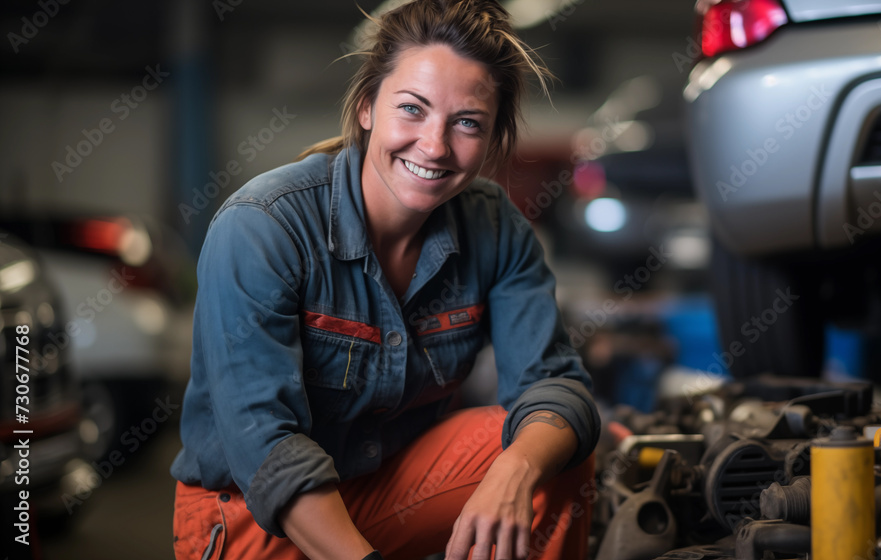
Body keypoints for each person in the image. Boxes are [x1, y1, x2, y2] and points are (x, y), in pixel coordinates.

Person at [170, 1, 600, 559]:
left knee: (554, 446)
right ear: (367, 105)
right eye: (412, 109)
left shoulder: (495, 227)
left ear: (493, 138)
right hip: (252, 517)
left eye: (466, 123)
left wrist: (516, 469)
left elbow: (556, 386)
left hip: (383, 491)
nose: (435, 145)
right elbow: (266, 449)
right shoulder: (262, 226)